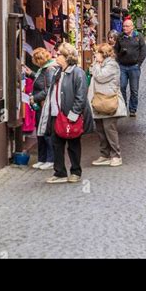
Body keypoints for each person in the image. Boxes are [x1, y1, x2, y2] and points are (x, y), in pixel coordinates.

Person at [37, 42, 94, 184]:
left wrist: (73, 115)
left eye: (59, 54)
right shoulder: (57, 71)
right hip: (57, 115)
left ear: (67, 57)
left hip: (70, 116)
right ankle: (60, 173)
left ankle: (75, 172)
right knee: (56, 143)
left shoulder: (77, 72)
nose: (56, 55)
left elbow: (81, 96)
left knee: (73, 144)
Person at [88, 43, 127, 167]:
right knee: (100, 130)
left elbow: (100, 77)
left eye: (97, 53)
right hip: (99, 101)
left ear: (103, 54)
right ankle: (104, 155)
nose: (95, 55)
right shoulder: (101, 65)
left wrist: (96, 64)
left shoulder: (112, 65)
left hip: (109, 101)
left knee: (109, 129)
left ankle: (116, 155)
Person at [23, 48, 57, 170]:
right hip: (40, 106)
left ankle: (50, 159)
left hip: (45, 106)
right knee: (40, 132)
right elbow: (40, 81)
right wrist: (31, 74)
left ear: (39, 60)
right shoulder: (43, 69)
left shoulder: (49, 69)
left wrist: (35, 98)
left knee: (46, 133)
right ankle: (42, 159)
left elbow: (48, 89)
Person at [114, 18, 146, 117]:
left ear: (132, 27)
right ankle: (123, 107)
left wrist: (138, 63)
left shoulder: (138, 37)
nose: (124, 28)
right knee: (122, 87)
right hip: (122, 66)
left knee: (134, 90)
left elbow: (143, 51)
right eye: (123, 26)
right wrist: (119, 57)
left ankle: (133, 109)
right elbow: (115, 50)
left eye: (127, 26)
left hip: (134, 67)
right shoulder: (120, 37)